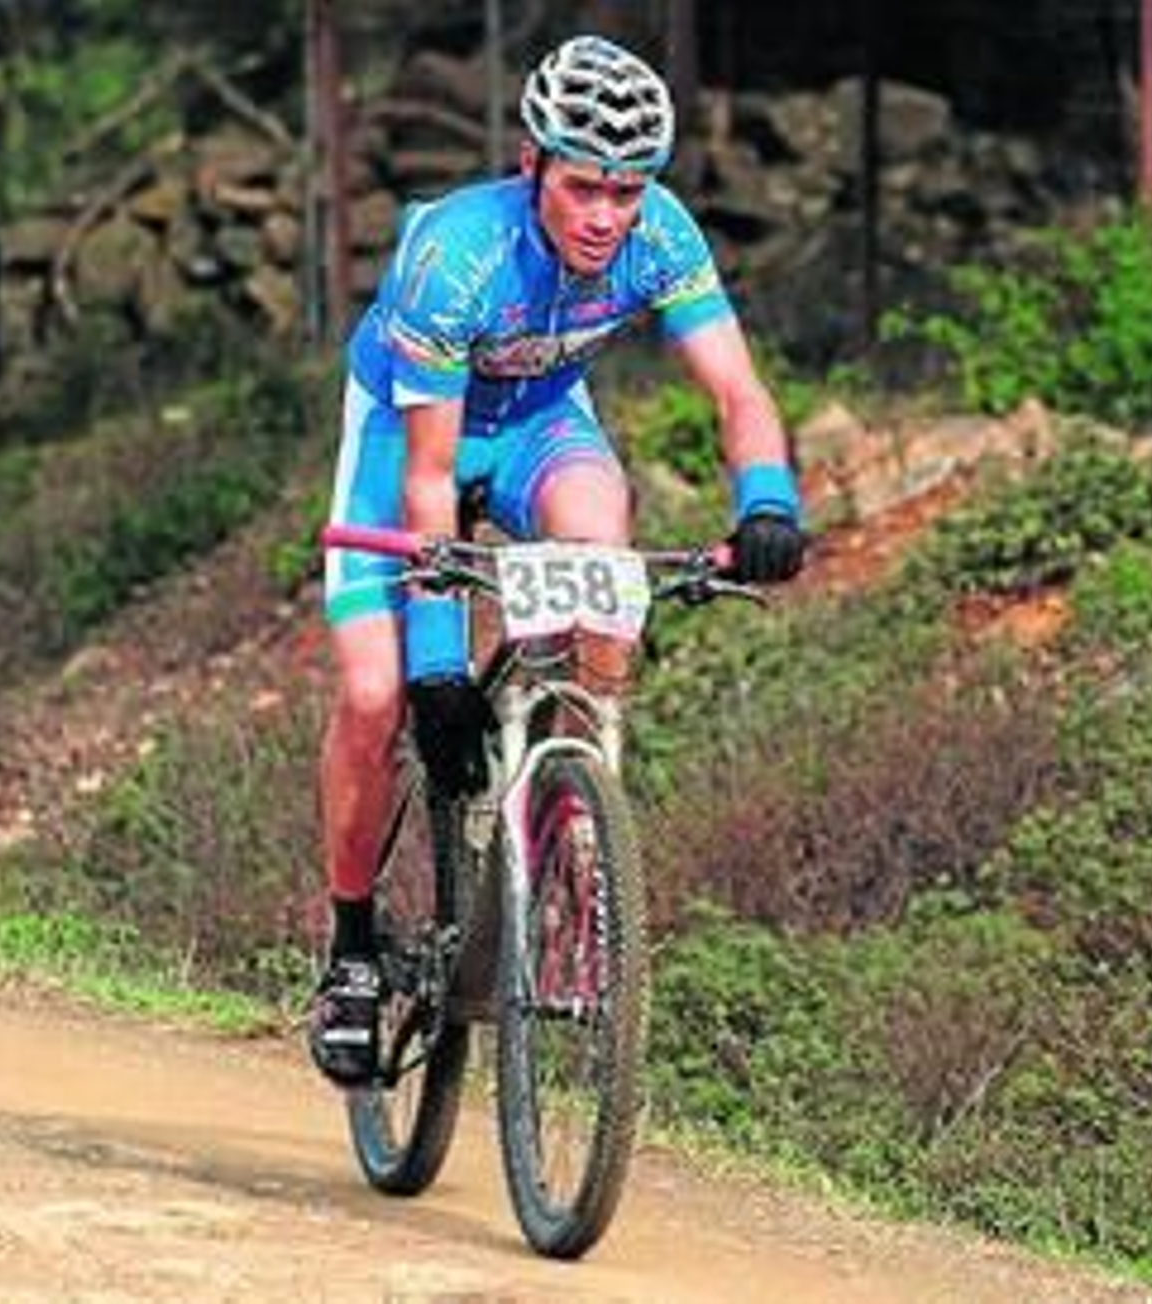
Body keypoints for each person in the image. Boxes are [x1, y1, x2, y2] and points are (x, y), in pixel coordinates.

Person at [309, 34, 805, 1085]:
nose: (604, 216)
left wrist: (768, 501)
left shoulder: (657, 237)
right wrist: (439, 662)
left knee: (601, 540)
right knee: (372, 690)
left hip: (539, 422)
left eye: (627, 191)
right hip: (412, 441)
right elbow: (431, 483)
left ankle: (577, 833)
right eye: (584, 186)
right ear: (532, 165)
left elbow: (737, 391)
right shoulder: (455, 255)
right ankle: (351, 946)